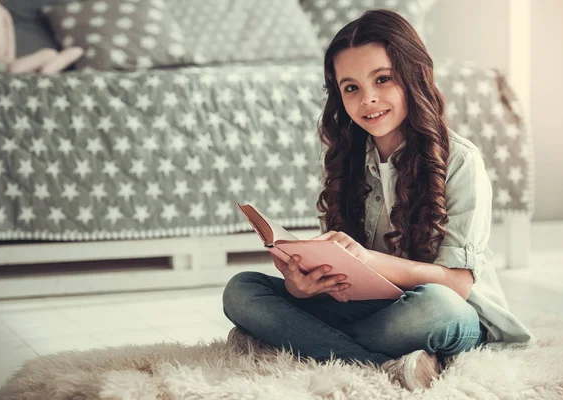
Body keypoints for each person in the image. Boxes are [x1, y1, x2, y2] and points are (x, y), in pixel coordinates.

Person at [222, 9, 534, 392]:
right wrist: (301, 286)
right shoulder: (343, 158)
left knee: (438, 307)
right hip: (367, 309)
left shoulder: (460, 162)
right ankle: (384, 364)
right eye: (350, 88)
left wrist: (368, 260)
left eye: (382, 79)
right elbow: (344, 275)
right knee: (242, 290)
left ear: (413, 76)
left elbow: (456, 285)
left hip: (441, 312)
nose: (368, 100)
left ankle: (293, 341)